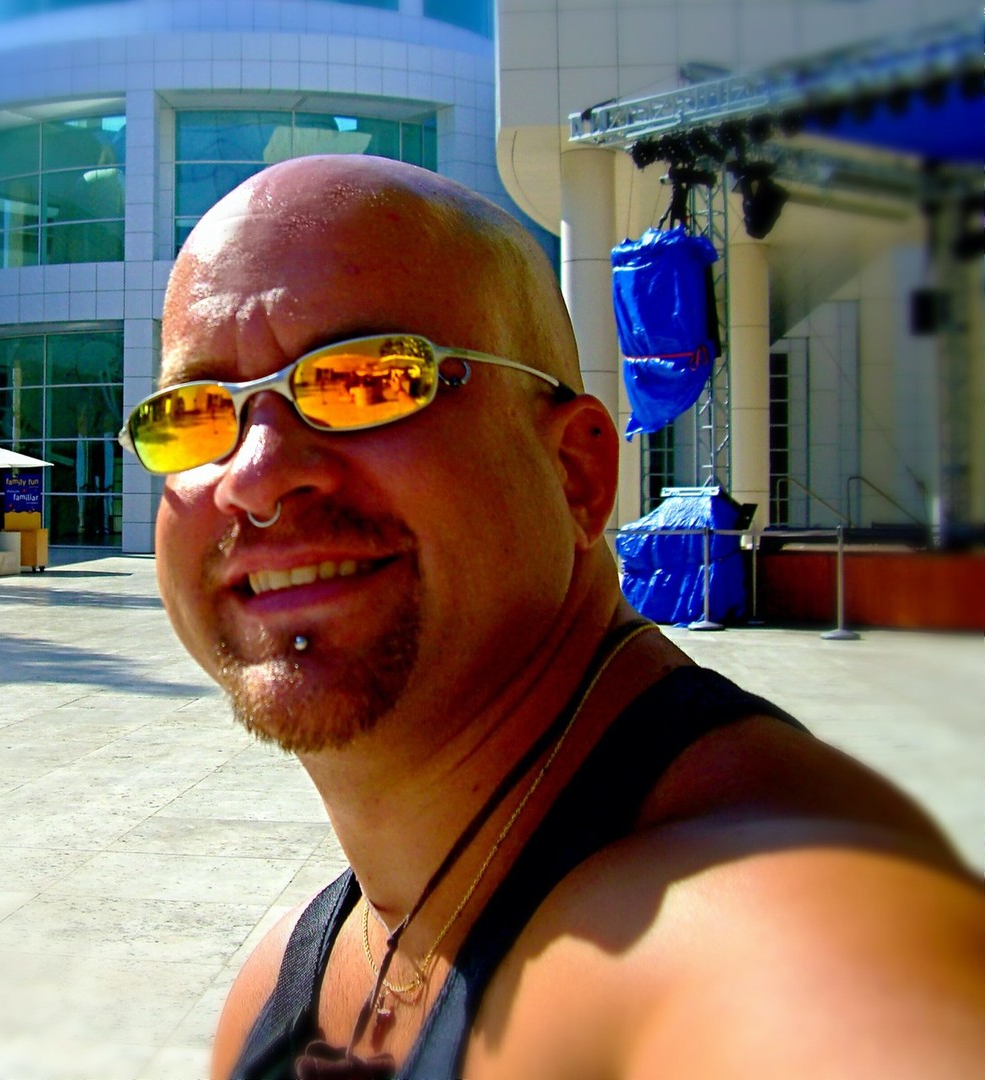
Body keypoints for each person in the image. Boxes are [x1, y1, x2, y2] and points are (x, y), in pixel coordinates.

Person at [123, 155, 984, 1079]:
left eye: (366, 379)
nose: (254, 477)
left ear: (577, 473)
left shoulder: (770, 917)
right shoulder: (288, 977)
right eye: (194, 413)